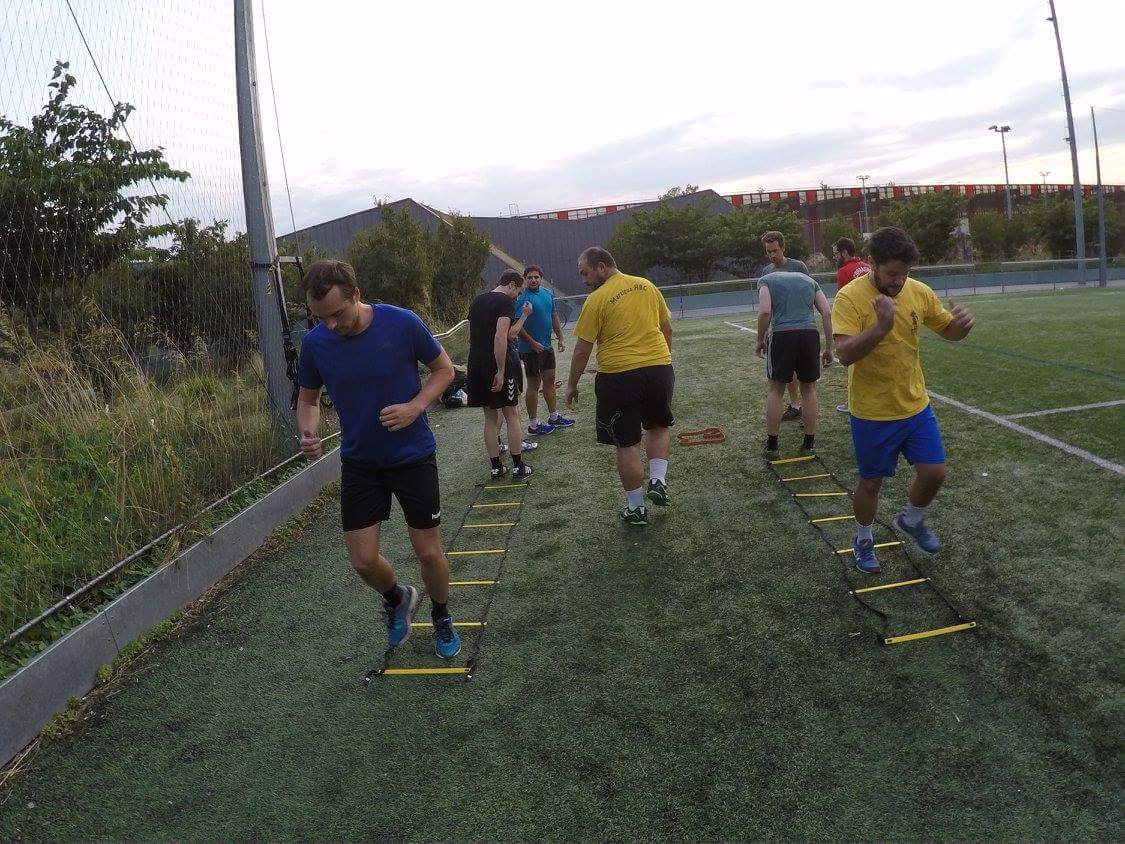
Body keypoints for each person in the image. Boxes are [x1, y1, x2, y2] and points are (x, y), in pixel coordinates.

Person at [296, 260, 462, 659]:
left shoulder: (401, 323)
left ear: (356, 295)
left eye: (337, 314)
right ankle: (397, 597)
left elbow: (444, 371)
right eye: (321, 318)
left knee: (429, 553)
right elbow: (307, 399)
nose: (331, 325)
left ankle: (441, 614)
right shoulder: (315, 343)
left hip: (412, 456)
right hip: (360, 462)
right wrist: (307, 430)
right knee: (363, 560)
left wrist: (415, 406)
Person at [832, 227, 975, 574]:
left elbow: (948, 332)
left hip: (914, 405)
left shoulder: (918, 292)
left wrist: (962, 326)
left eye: (904, 274)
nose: (898, 281)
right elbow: (844, 354)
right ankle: (863, 539)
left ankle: (912, 519)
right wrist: (880, 327)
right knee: (871, 483)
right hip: (872, 411)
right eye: (892, 273)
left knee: (935, 472)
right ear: (872, 264)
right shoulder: (849, 298)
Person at [566, 247, 673, 526]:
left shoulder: (596, 299)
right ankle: (658, 479)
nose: (583, 279)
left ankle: (636, 509)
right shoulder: (647, 286)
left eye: (585, 272)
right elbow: (666, 328)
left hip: (619, 376)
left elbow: (582, 350)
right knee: (658, 426)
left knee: (626, 443)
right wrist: (663, 362)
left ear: (601, 267)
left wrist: (572, 385)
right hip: (659, 369)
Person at [754, 271, 834, 453]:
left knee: (776, 389)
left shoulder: (765, 281)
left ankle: (772, 444)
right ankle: (809, 442)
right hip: (809, 334)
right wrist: (829, 347)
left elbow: (765, 310)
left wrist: (760, 339)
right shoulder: (811, 281)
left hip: (782, 335)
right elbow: (827, 312)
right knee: (808, 389)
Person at [467, 269, 535, 481]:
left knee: (489, 417)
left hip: (475, 362)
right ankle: (518, 466)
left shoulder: (477, 300)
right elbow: (501, 336)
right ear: (512, 285)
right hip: (497, 361)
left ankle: (496, 468)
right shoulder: (505, 302)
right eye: (519, 290)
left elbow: (470, 336)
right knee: (510, 414)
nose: (518, 296)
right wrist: (501, 370)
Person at [515, 265, 574, 435]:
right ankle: (534, 425)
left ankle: (554, 417)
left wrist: (561, 337)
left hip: (547, 348)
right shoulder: (522, 298)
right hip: (529, 350)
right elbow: (517, 326)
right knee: (534, 385)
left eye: (536, 277)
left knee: (550, 380)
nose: (533, 280)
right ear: (525, 280)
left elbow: (553, 316)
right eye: (530, 277)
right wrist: (532, 343)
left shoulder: (547, 293)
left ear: (541, 278)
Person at [759, 231, 810, 422]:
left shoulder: (798, 266)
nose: (772, 255)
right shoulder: (766, 272)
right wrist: (764, 332)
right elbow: (767, 306)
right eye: (768, 251)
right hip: (779, 329)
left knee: (806, 377)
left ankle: (806, 412)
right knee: (784, 374)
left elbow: (810, 291)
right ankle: (795, 406)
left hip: (802, 327)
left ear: (783, 248)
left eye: (775, 250)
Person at [832, 237, 871, 412]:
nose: (835, 257)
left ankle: (853, 402)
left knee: (853, 362)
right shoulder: (867, 266)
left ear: (844, 252)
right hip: (874, 317)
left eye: (837, 253)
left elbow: (843, 299)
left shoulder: (843, 271)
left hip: (856, 321)